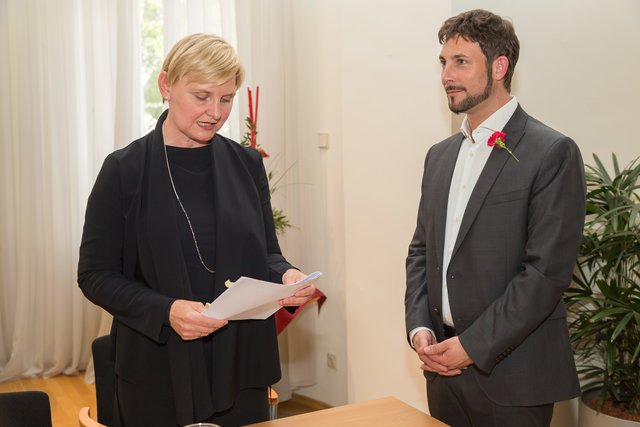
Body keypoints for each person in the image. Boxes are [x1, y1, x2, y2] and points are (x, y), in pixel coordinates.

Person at [78, 33, 316, 427]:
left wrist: (286, 277)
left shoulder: (246, 164)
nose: (215, 112)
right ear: (166, 86)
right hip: (157, 365)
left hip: (240, 366)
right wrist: (166, 310)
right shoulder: (124, 170)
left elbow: (267, 253)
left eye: (226, 99)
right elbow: (95, 275)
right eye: (202, 96)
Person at [405, 9, 585, 427]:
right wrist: (420, 330)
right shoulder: (439, 156)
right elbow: (421, 250)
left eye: (461, 62)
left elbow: (545, 274)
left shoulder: (551, 152)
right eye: (443, 62)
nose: (447, 74)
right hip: (442, 371)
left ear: (499, 67)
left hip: (514, 378)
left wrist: (471, 345)